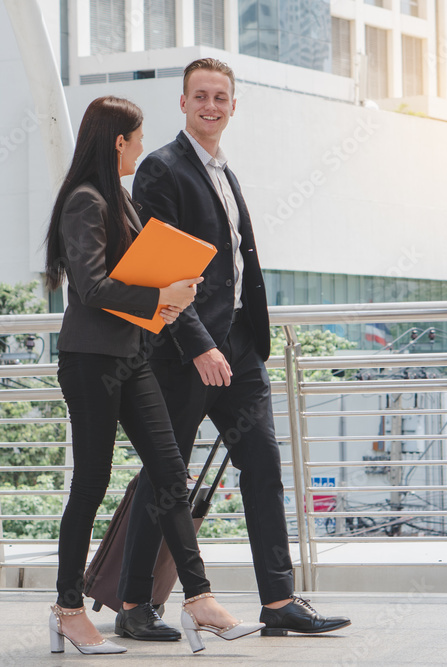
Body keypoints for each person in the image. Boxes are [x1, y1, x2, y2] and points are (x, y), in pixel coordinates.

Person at [116, 59, 351, 639]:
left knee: (263, 465)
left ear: (233, 105)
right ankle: (132, 605)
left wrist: (240, 338)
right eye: (201, 96)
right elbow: (161, 270)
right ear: (184, 102)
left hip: (241, 346)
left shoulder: (224, 170)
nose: (211, 106)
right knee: (166, 476)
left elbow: (236, 262)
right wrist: (198, 344)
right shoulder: (160, 169)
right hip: (185, 353)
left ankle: (278, 601)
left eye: (221, 97)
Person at [44, 95, 262, 655]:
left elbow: (139, 271)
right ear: (119, 140)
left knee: (169, 474)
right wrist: (158, 295)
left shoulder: (119, 199)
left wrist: (164, 304)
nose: (142, 148)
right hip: (91, 362)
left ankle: (199, 600)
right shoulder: (84, 201)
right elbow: (91, 287)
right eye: (137, 139)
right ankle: (68, 610)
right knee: (90, 484)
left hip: (133, 355)